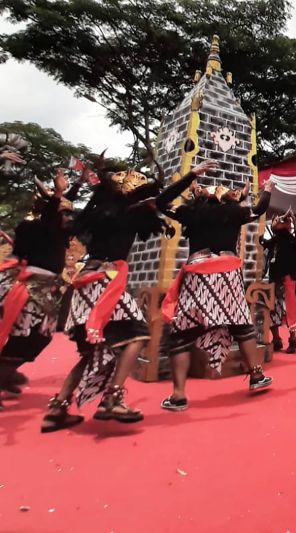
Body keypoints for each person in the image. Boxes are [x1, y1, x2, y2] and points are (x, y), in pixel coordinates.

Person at [43, 161, 169, 431]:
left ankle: (58, 408)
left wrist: (62, 193)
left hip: (86, 283)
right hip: (106, 282)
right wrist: (191, 175)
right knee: (137, 335)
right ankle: (112, 398)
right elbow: (163, 198)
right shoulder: (130, 213)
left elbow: (64, 221)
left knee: (91, 354)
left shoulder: (98, 214)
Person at [157, 161, 273, 412]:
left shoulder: (189, 213)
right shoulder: (236, 213)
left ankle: (178, 394)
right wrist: (268, 188)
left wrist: (191, 175)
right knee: (241, 325)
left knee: (181, 333)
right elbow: (260, 207)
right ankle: (256, 375)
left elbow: (161, 202)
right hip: (228, 274)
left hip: (198, 273)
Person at [0, 170, 84, 409]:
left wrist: (77, 184)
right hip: (27, 288)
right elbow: (49, 218)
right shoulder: (34, 228)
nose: (69, 217)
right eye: (64, 212)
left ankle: (6, 372)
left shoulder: (59, 233)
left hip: (44, 290)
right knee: (23, 335)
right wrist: (58, 193)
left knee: (40, 337)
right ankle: (4, 374)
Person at [261, 211, 296, 355]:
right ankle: (277, 339)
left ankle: (292, 340)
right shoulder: (274, 240)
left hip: (287, 279)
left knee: (289, 310)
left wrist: (295, 225)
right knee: (272, 308)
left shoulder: (292, 240)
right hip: (274, 278)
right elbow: (264, 242)